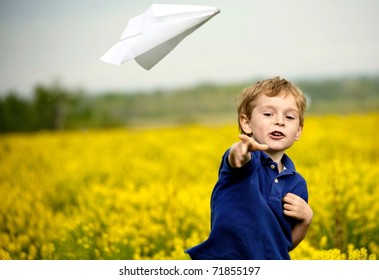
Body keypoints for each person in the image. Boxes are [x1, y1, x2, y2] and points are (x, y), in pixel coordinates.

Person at [185, 76, 313, 260]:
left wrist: (306, 221)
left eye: (289, 117)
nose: (279, 121)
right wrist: (241, 151)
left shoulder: (297, 183)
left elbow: (283, 245)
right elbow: (237, 158)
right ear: (246, 123)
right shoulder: (246, 163)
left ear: (298, 130)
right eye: (268, 114)